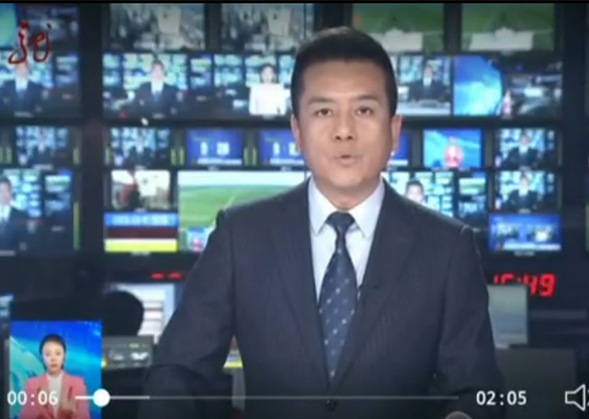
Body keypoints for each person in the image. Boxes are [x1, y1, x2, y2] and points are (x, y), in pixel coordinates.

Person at [139, 27, 503, 419]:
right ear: (297, 131)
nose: (344, 131)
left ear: (394, 130)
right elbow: (178, 375)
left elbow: (476, 393)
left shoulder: (447, 248)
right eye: (324, 112)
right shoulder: (239, 236)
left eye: (364, 111)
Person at [20, 334, 91, 419]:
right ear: (42, 358)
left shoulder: (78, 384)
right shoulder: (32, 385)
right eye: (48, 354)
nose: (53, 358)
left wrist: (72, 411)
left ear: (64, 356)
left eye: (58, 353)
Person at [0, 176, 28, 252]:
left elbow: (24, 243)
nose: (3, 195)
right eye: (0, 191)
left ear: (11, 192)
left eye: (6, 191)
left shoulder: (21, 215)